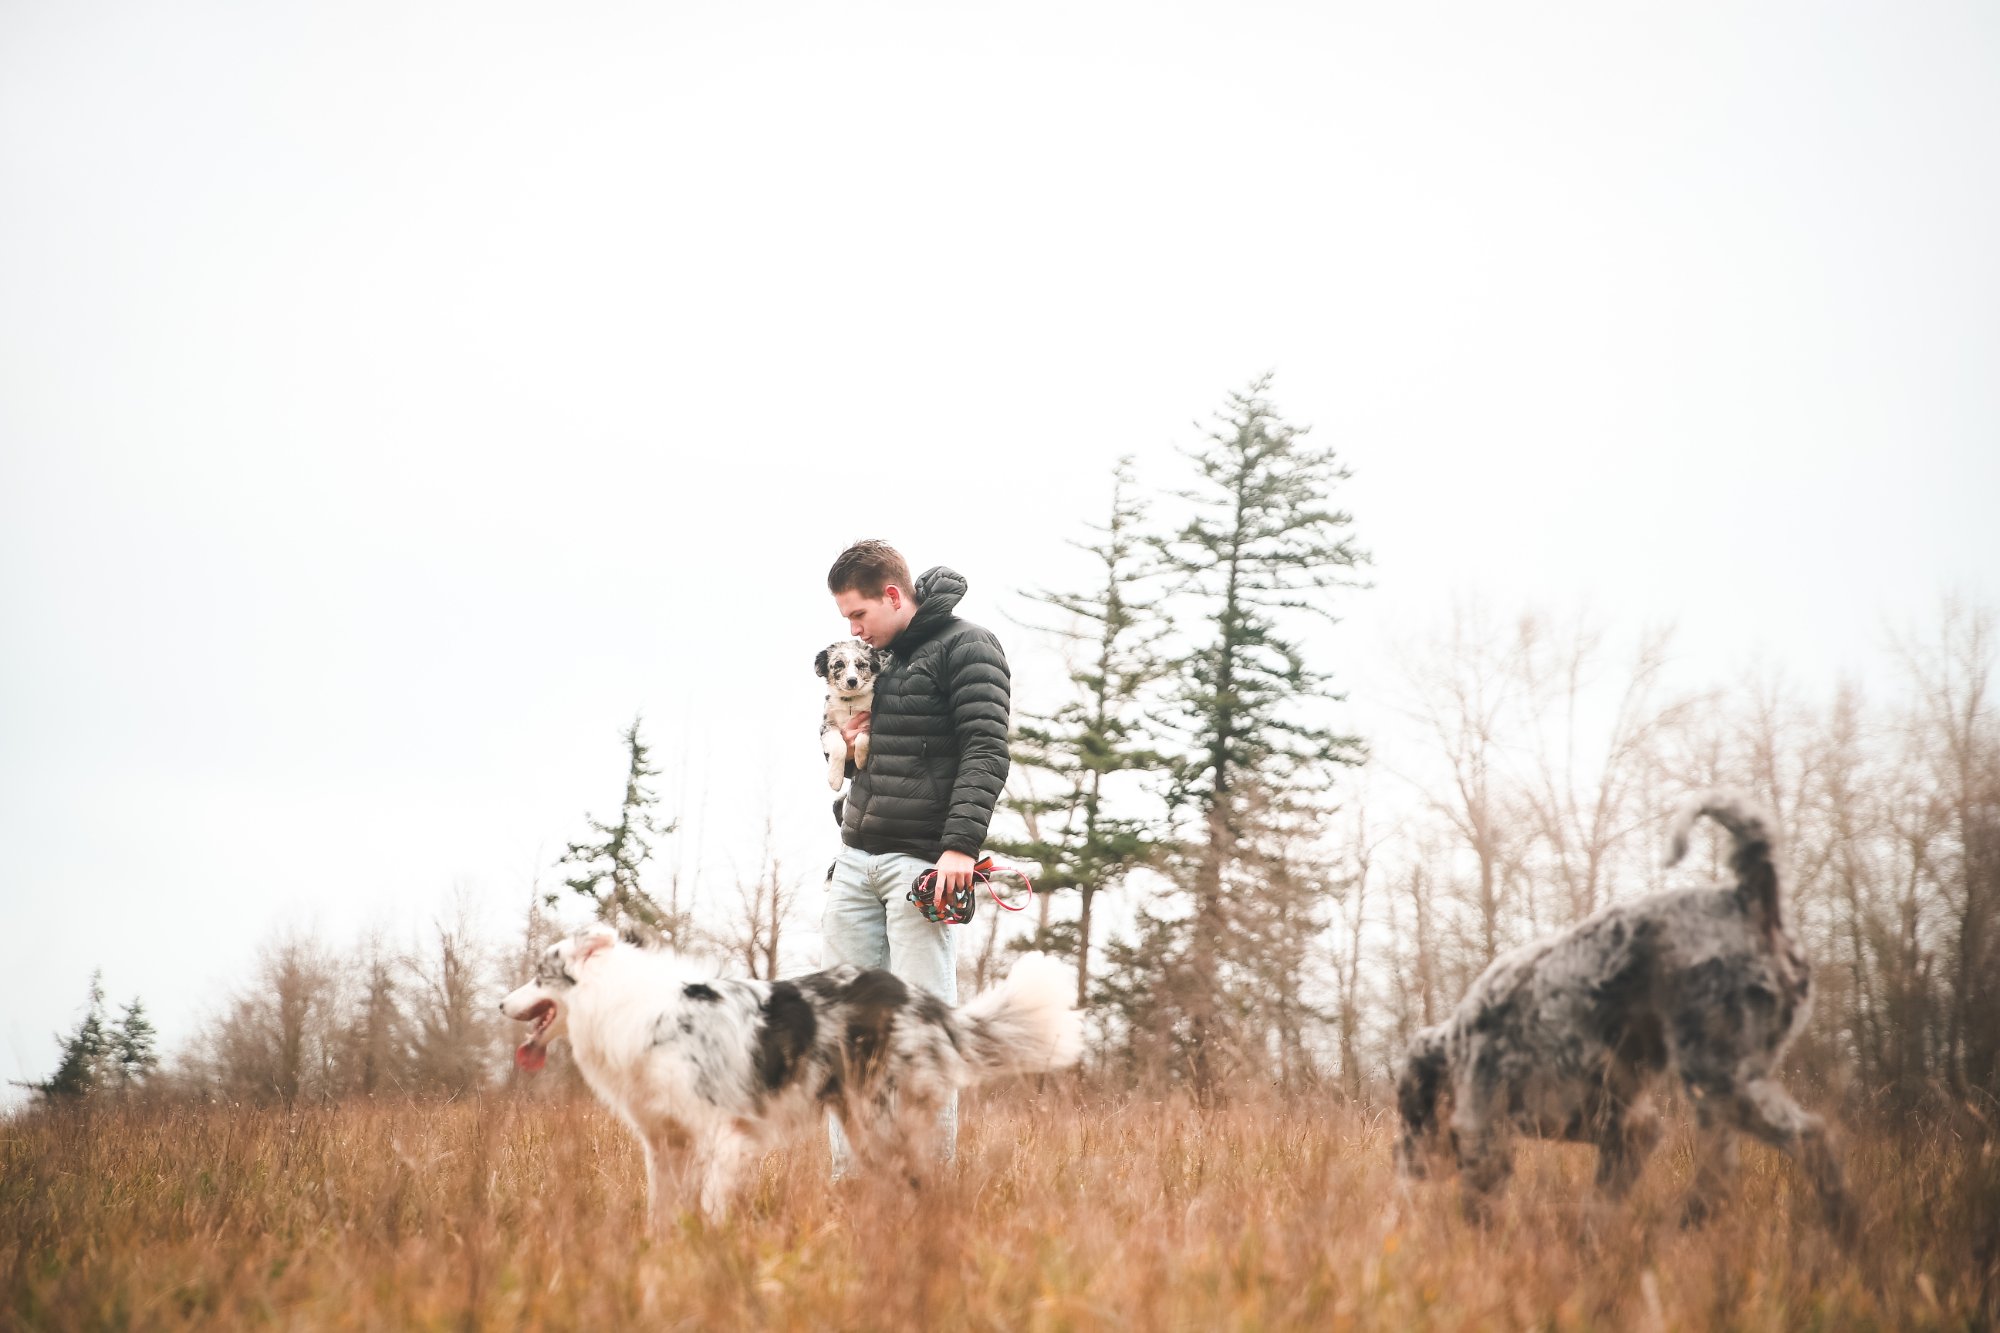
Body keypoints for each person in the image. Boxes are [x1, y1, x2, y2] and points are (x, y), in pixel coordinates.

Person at [821, 539, 1011, 1173]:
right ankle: (852, 1189)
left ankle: (924, 1190)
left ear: (893, 596)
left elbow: (986, 750)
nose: (851, 631)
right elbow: (872, 760)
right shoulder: (875, 663)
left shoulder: (968, 647)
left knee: (921, 1038)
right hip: (854, 865)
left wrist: (959, 849)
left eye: (857, 615)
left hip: (921, 869)